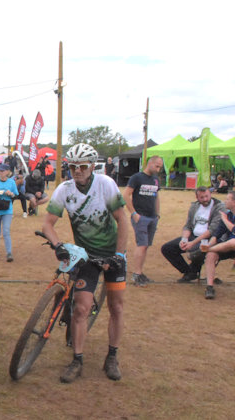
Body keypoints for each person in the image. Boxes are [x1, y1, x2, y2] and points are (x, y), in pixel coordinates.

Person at [42, 143, 129, 383]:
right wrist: (59, 245)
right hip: (86, 256)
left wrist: (119, 255)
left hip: (112, 253)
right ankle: (77, 359)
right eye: (72, 166)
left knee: (116, 307)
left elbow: (122, 220)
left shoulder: (106, 184)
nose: (77, 170)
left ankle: (112, 356)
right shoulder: (64, 189)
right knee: (80, 308)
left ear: (92, 166)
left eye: (82, 166)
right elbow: (47, 224)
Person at [160, 186, 225, 283]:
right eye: (202, 197)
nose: (205, 199)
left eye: (207, 196)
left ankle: (195, 270)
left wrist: (192, 243)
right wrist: (184, 239)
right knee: (167, 248)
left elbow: (212, 230)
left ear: (210, 194)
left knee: (196, 250)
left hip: (209, 239)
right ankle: (189, 272)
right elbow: (188, 226)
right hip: (193, 236)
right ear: (197, 198)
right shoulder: (194, 206)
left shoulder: (219, 207)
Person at [123, 155, 163, 287]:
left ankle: (140, 272)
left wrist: (157, 214)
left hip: (152, 217)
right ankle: (136, 274)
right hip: (141, 217)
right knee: (142, 244)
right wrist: (134, 213)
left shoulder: (156, 180)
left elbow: (156, 197)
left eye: (160, 167)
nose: (158, 169)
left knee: (146, 246)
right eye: (157, 166)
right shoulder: (137, 177)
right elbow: (126, 195)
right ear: (150, 163)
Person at [0, 163, 19, 262]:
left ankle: (9, 253)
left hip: (7, 210)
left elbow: (16, 194)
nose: (0, 172)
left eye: (2, 171)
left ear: (7, 172)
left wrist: (11, 194)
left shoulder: (11, 182)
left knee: (6, 231)